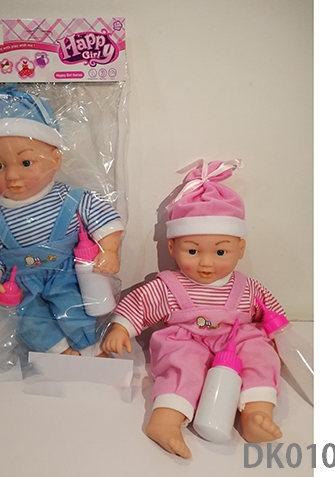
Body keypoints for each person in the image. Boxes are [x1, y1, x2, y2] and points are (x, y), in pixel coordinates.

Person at [102, 160, 283, 458]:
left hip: (236, 338)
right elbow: (142, 303)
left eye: (221, 251)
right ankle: (165, 421)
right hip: (185, 339)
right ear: (172, 248)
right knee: (181, 365)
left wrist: (279, 340)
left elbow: (272, 316)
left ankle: (256, 413)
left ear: (240, 249)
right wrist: (121, 327)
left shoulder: (247, 287)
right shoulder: (170, 285)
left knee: (259, 355)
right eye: (192, 250)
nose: (206, 263)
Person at [0, 85, 124, 357]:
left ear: (55, 159)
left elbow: (104, 219)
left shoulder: (71, 198)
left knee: (75, 305)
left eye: (26, 163)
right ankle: (61, 352)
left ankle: (91, 347)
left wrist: (109, 250)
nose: (12, 176)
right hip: (19, 279)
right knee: (29, 319)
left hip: (66, 273)